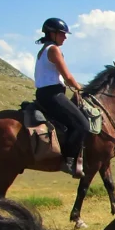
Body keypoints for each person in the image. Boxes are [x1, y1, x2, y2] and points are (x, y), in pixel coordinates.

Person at [33, 17, 90, 178]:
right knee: (83, 125)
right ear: (52, 33)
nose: (65, 37)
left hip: (45, 94)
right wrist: (82, 89)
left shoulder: (43, 50)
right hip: (53, 95)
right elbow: (67, 77)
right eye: (62, 34)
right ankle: (68, 160)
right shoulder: (53, 50)